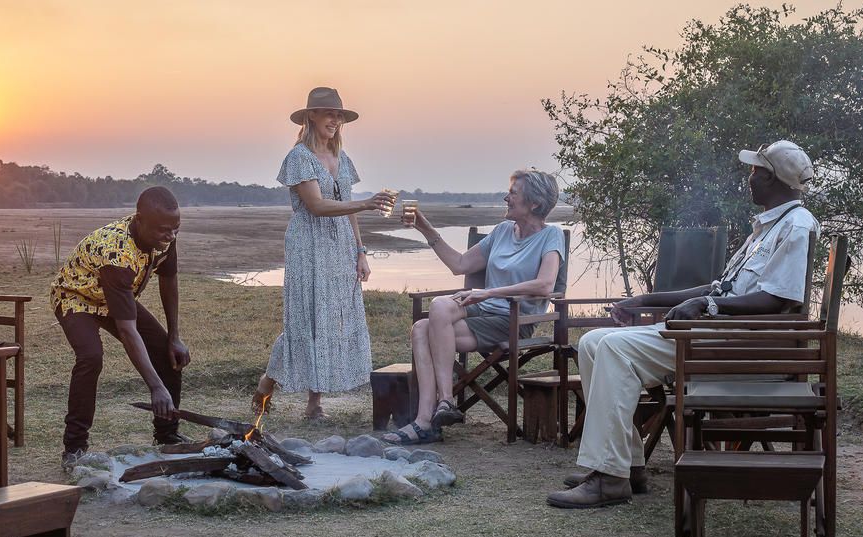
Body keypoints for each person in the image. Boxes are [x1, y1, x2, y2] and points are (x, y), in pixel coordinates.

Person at [546, 140, 819, 509]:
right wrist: (645, 299)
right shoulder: (765, 228)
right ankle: (625, 466)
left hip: (741, 346)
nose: (749, 179)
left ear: (772, 178)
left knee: (612, 347)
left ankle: (610, 479)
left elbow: (776, 300)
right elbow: (719, 287)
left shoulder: (796, 226)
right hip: (717, 337)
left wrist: (706, 304)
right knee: (595, 341)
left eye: (755, 171)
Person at [382, 169, 565, 445]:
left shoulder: (551, 236)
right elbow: (460, 265)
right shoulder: (503, 231)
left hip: (514, 322)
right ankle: (438, 408)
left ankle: (429, 418)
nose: (506, 197)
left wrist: (487, 292)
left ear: (534, 203)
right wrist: (426, 229)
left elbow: (544, 286)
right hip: (482, 312)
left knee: (424, 328)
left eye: (513, 193)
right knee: (427, 321)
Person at [251, 87, 395, 420]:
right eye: (329, 113)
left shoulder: (343, 159)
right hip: (308, 248)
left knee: (332, 322)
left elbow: (348, 210)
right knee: (306, 322)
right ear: (311, 116)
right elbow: (316, 206)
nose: (336, 120)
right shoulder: (299, 157)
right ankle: (266, 387)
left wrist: (360, 251)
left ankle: (314, 403)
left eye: (340, 115)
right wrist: (367, 202)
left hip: (341, 247)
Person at [50, 186, 191, 467]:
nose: (171, 236)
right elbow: (128, 331)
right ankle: (74, 447)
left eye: (175, 229)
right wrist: (155, 386)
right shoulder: (117, 254)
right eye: (165, 230)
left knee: (166, 352)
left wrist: (174, 336)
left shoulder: (164, 237)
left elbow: (169, 281)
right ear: (140, 220)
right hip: (76, 297)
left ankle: (166, 436)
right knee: (90, 357)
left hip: (114, 296)